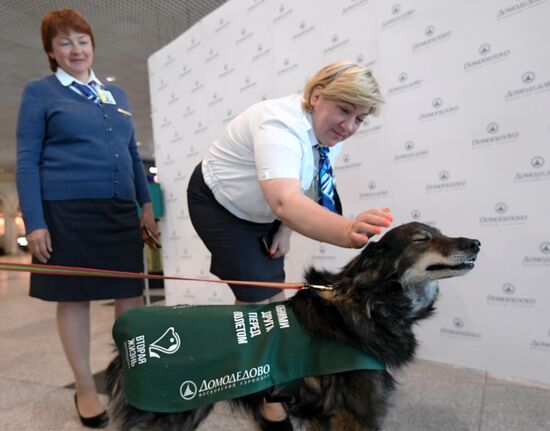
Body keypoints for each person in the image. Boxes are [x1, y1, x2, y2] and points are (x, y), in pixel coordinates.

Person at [187, 61, 393, 431]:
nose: (349, 127)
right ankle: (262, 397)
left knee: (275, 300)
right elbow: (285, 199)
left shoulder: (329, 139)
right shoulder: (278, 123)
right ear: (317, 96)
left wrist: (283, 229)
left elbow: (301, 192)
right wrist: (347, 230)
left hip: (263, 210)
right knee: (254, 295)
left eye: (360, 119)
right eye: (344, 110)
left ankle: (272, 385)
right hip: (218, 203)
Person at [15, 8, 159, 429]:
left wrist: (145, 205)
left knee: (130, 298)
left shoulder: (118, 97)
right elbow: (27, 160)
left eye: (82, 40)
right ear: (51, 52)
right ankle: (83, 386)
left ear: (92, 45)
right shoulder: (40, 92)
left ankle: (132, 378)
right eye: (64, 42)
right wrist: (36, 221)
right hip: (66, 211)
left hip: (117, 211)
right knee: (74, 297)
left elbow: (133, 155)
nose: (76, 49)